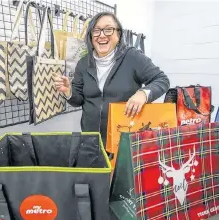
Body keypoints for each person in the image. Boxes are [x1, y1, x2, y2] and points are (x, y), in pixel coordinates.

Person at [54, 12, 170, 152]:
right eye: (96, 30)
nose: (102, 35)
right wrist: (69, 91)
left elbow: (162, 80)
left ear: (118, 34)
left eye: (108, 29)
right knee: (95, 173)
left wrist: (143, 94)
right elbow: (78, 100)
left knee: (120, 174)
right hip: (91, 140)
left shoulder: (132, 57)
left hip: (124, 138)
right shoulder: (83, 63)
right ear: (91, 36)